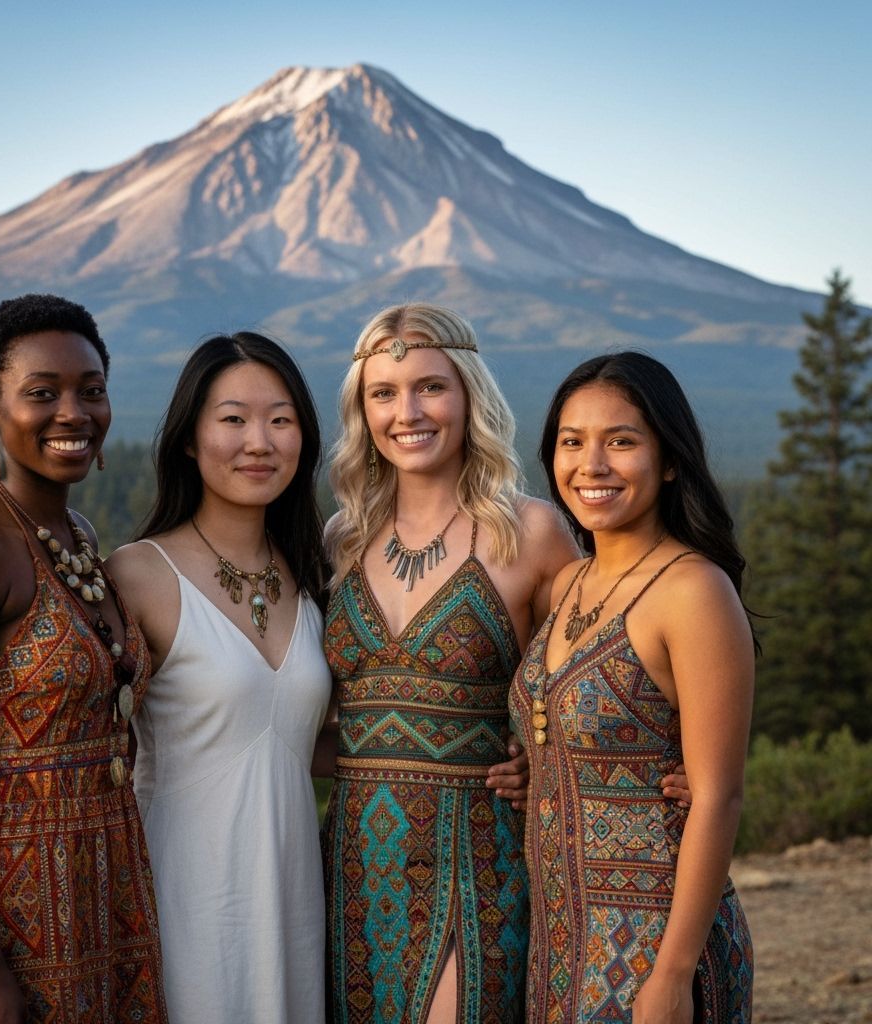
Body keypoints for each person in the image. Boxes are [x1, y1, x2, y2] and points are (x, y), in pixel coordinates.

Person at [0, 294, 167, 1023]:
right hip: (8, 908)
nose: (73, 413)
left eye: (92, 390)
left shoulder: (74, 529)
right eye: (42, 394)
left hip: (103, 887)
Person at [323, 303, 592, 1023]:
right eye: (384, 393)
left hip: (478, 857)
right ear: (362, 409)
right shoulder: (339, 538)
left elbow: (598, 669)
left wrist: (550, 756)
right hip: (352, 862)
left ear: (469, 393)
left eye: (430, 387)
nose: (407, 411)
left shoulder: (530, 531)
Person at [510, 352, 754, 1023]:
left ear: (669, 459)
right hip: (561, 938)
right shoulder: (565, 585)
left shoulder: (693, 591)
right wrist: (532, 772)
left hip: (654, 942)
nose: (592, 465)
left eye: (621, 441)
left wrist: (672, 976)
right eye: (571, 442)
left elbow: (718, 795)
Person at [105, 332, 335, 1021]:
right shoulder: (140, 574)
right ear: (188, 438)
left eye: (281, 419)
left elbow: (300, 742)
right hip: (184, 897)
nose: (258, 441)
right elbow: (81, 723)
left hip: (293, 902)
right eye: (233, 419)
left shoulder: (317, 573)